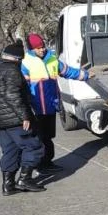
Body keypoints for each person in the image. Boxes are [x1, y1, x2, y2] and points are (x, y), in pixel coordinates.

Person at [21, 33, 92, 173]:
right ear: (31, 49)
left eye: (42, 47)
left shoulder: (52, 59)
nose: (41, 50)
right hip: (36, 109)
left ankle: (47, 162)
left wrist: (85, 75)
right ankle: (39, 165)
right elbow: (21, 88)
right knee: (39, 139)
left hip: (50, 106)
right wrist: (25, 109)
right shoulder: (25, 63)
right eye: (38, 48)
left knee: (48, 137)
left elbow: (67, 71)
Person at [0, 41, 46, 195]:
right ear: (17, 59)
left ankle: (8, 185)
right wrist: (25, 116)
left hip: (1, 121)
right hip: (16, 119)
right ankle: (24, 179)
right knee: (34, 147)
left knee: (10, 151)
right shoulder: (11, 71)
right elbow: (12, 95)